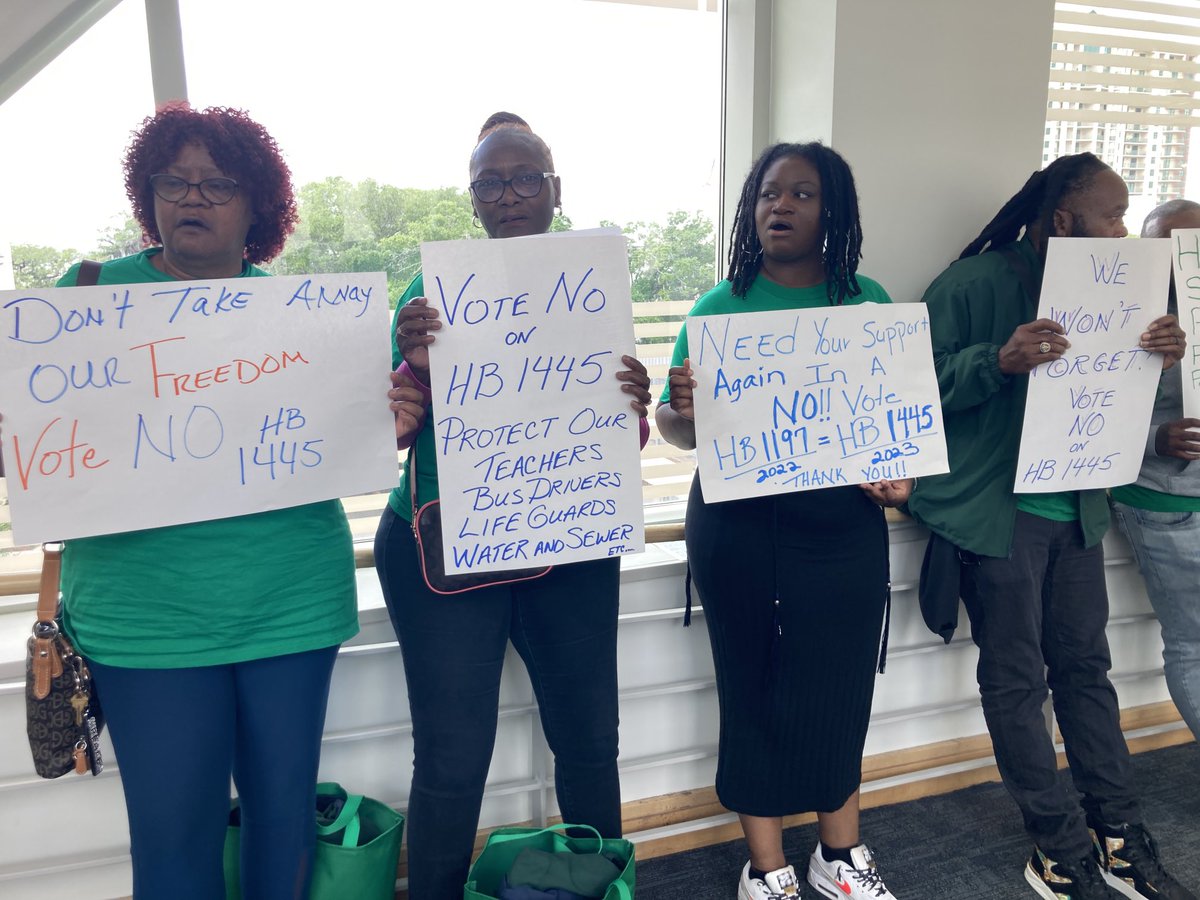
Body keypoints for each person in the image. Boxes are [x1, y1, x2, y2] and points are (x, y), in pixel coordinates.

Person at [14, 105, 364, 900]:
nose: (192, 197)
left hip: (292, 603)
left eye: (217, 183)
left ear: (257, 208)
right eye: (174, 181)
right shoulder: (88, 293)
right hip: (145, 617)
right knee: (173, 840)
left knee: (283, 820)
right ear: (149, 195)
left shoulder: (307, 316)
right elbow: (41, 446)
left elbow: (357, 432)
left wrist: (397, 416)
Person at [373, 112, 653, 899]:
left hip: (567, 537)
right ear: (471, 201)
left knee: (591, 742)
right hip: (444, 546)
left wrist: (629, 403)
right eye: (489, 183)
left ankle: (599, 890)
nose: (508, 195)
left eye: (524, 177)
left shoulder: (596, 286)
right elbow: (385, 434)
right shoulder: (426, 294)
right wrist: (410, 367)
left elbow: (616, 443)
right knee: (454, 756)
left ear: (555, 190)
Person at [906, 153, 1195, 900]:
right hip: (999, 518)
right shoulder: (970, 285)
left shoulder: (1125, 291)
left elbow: (1117, 395)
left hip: (1079, 512)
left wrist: (1165, 361)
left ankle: (1119, 833)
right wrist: (995, 361)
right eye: (1114, 214)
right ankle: (1057, 848)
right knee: (1016, 686)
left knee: (1086, 676)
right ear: (1064, 219)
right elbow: (903, 391)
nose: (1125, 230)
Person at [657, 141, 906, 900]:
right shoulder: (717, 308)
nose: (781, 207)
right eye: (769, 193)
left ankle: (840, 859)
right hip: (737, 532)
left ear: (833, 211)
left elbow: (897, 429)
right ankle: (767, 870)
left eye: (802, 194)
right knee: (753, 686)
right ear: (749, 208)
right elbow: (676, 429)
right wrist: (682, 411)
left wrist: (899, 482)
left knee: (838, 687)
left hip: (842, 532)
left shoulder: (868, 304)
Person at [1110, 198, 1200, 741]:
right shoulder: (1121, 313)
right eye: (1168, 244)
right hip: (1163, 499)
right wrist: (1156, 438)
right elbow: (1084, 416)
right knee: (1193, 640)